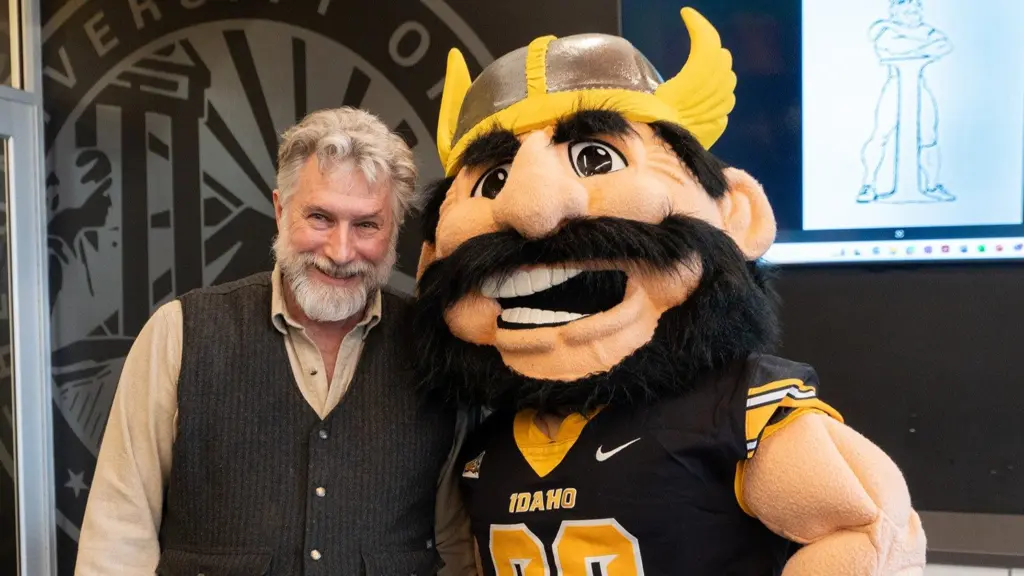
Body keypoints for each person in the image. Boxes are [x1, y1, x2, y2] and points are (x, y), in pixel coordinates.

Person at [410, 6, 926, 575]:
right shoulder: (486, 446)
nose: (532, 212)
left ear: (736, 215)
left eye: (595, 158)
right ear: (431, 257)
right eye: (494, 181)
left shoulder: (738, 412)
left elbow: (872, 531)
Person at [76, 107, 474, 575]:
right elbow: (119, 534)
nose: (341, 252)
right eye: (320, 217)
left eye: (367, 224)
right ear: (281, 210)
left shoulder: (436, 349)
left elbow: (457, 548)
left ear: (394, 228)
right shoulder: (179, 333)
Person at [858, 0, 953, 203]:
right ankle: (868, 185)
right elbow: (890, 45)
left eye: (917, 10)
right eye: (907, 11)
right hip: (896, 87)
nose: (914, 14)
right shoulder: (884, 29)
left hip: (919, 87)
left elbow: (944, 45)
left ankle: (932, 184)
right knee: (881, 135)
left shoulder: (927, 30)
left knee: (929, 137)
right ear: (895, 14)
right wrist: (921, 46)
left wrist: (907, 44)